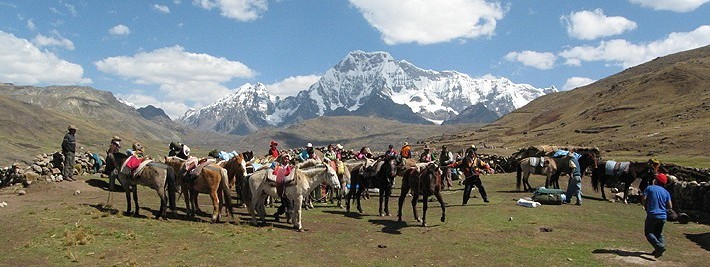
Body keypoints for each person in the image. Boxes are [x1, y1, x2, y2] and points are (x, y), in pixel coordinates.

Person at [641, 172, 672, 258]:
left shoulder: (649, 188)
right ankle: (659, 250)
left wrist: (645, 205)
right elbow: (670, 206)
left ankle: (660, 247)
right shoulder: (666, 192)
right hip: (663, 216)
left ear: (655, 181)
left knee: (649, 233)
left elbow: (644, 198)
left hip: (652, 214)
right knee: (659, 233)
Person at [273, 154, 294, 222]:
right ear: (282, 159)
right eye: (285, 159)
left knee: (285, 205)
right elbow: (276, 174)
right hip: (281, 188)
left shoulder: (291, 167)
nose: (286, 160)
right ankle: (289, 218)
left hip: (290, 188)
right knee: (288, 204)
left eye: (287, 159)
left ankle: (277, 214)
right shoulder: (279, 167)